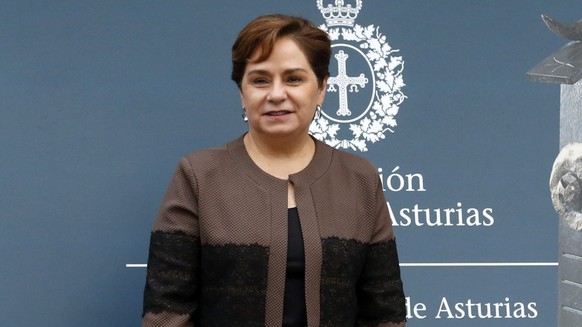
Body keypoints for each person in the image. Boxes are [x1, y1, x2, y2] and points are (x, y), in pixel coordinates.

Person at [142, 14, 406, 327]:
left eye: (294, 79)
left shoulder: (360, 179)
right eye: (260, 80)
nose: (276, 94)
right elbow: (167, 311)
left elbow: (384, 314)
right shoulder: (199, 176)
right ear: (242, 92)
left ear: (321, 88)